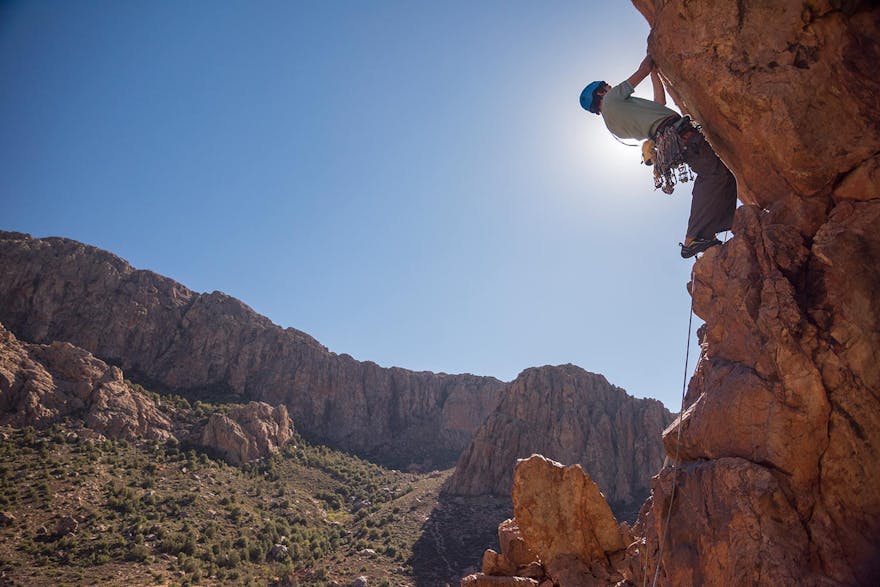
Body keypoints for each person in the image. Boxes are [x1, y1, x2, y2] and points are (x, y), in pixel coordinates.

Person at [580, 54, 738, 258]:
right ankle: (694, 237)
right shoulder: (612, 99)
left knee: (721, 175)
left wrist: (656, 74)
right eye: (607, 86)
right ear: (601, 92)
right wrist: (653, 51)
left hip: (671, 138)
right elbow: (643, 70)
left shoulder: (613, 126)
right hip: (679, 133)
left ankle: (707, 232)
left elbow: (659, 103)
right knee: (714, 175)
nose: (611, 87)